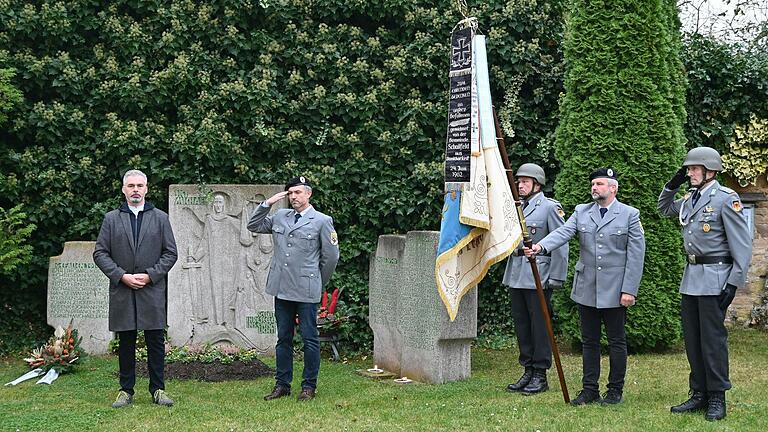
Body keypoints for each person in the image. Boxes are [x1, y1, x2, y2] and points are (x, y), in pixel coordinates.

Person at [524, 168, 645, 406]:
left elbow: (636, 255)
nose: (594, 188)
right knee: (589, 341)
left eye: (600, 184)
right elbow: (563, 233)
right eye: (593, 184)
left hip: (614, 288)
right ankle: (589, 389)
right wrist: (541, 247)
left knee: (616, 341)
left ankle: (614, 391)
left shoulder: (629, 215)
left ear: (613, 188)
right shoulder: (581, 212)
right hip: (587, 286)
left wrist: (629, 290)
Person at [658, 147, 752, 421]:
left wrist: (734, 282)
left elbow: (742, 244)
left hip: (715, 278)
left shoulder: (725, 198)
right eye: (688, 169)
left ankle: (716, 397)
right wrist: (671, 185)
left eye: (693, 168)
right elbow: (663, 209)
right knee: (693, 341)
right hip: (692, 279)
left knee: (712, 342)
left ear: (710, 170)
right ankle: (698, 393)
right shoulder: (688, 198)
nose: (689, 173)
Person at [248, 176, 339, 402]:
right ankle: (282, 385)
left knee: (309, 339)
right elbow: (254, 226)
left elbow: (331, 257)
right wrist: (267, 204)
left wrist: (317, 281)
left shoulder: (322, 221)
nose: (294, 197)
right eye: (290, 193)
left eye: (298, 192)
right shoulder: (280, 216)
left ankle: (308, 386)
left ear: (308, 194)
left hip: (306, 289)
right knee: (283, 339)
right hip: (282, 287)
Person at [93, 169, 178, 408]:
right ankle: (125, 390)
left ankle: (158, 389)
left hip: (151, 289)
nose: (135, 190)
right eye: (131, 186)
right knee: (127, 342)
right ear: (123, 190)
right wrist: (121, 276)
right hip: (123, 289)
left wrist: (150, 276)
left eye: (140, 186)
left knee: (155, 341)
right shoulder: (111, 219)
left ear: (147, 189)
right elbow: (100, 253)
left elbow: (171, 253)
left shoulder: (160, 218)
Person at [503, 163, 568, 395]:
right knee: (522, 324)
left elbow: (561, 242)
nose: (520, 185)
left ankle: (540, 373)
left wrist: (557, 277)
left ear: (537, 184)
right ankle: (528, 369)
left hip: (539, 274)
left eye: (525, 182)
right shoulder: (516, 206)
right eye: (519, 181)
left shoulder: (549, 208)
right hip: (517, 273)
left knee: (539, 326)